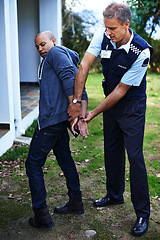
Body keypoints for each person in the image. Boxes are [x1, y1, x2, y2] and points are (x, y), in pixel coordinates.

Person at [68, 2, 153, 237]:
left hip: (132, 105)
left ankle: (142, 213)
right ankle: (114, 195)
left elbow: (121, 91)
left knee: (134, 157)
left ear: (127, 24)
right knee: (111, 150)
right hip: (111, 103)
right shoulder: (103, 34)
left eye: (113, 28)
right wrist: (76, 104)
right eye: (106, 27)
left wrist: (92, 113)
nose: (108, 33)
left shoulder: (142, 51)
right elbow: (84, 65)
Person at [25, 31, 88, 228]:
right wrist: (78, 115)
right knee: (65, 158)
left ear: (53, 41)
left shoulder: (55, 53)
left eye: (43, 44)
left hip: (52, 120)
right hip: (60, 119)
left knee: (33, 164)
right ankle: (76, 202)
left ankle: (41, 215)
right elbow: (80, 85)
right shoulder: (64, 56)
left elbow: (69, 79)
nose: (40, 49)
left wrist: (75, 111)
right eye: (37, 47)